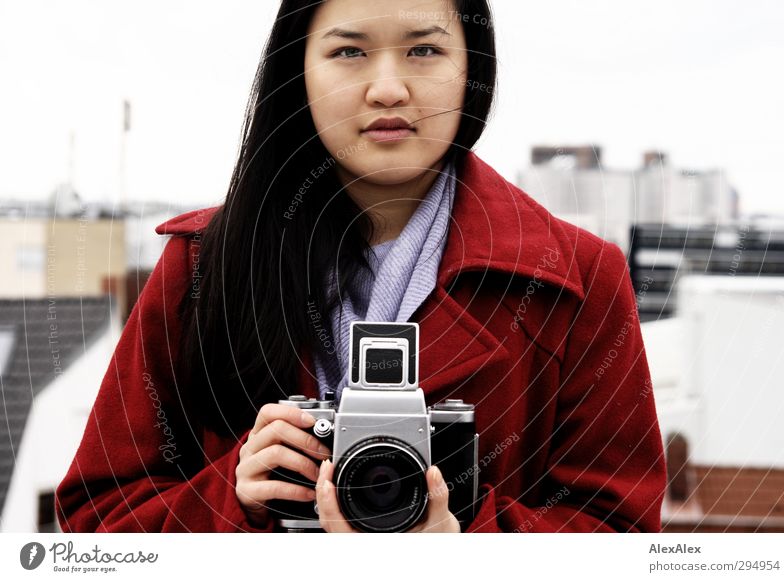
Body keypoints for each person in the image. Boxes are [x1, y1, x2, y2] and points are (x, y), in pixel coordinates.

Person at [56, 0, 666, 533]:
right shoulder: (203, 265)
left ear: (473, 70)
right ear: (298, 71)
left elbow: (621, 533)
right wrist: (235, 498)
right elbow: (99, 523)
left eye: (424, 49)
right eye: (348, 51)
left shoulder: (578, 282)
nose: (388, 88)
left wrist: (462, 544)